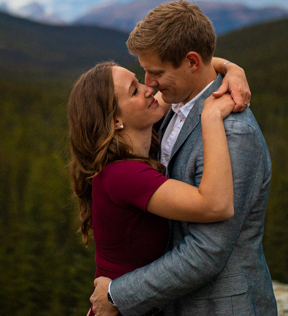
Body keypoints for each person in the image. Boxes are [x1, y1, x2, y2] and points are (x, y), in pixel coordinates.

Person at [90, 0, 276, 316]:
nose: (149, 84)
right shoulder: (168, 108)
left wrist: (117, 295)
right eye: (143, 73)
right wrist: (230, 67)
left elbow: (207, 251)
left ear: (191, 62)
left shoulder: (233, 133)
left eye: (155, 72)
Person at [67, 56, 246, 293]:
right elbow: (216, 206)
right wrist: (211, 118)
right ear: (116, 120)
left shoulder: (128, 153)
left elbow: (191, 67)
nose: (149, 88)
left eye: (138, 80)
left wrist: (233, 69)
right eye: (134, 91)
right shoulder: (124, 174)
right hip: (122, 305)